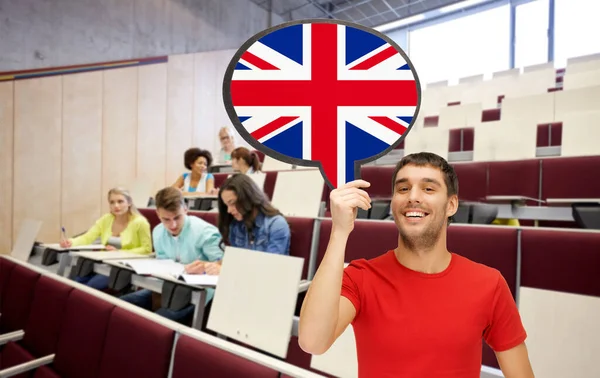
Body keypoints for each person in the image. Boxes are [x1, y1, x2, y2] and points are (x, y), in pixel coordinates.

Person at [298, 152, 534, 378]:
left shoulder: (489, 284)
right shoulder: (361, 277)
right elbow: (312, 342)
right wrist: (340, 230)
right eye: (403, 188)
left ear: (451, 205)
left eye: (428, 188)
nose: (413, 196)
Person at [119, 187, 224, 324]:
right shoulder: (158, 232)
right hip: (167, 287)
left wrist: (205, 266)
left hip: (196, 293)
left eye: (177, 217)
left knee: (155, 322)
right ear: (157, 213)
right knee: (120, 306)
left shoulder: (205, 232)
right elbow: (163, 264)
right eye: (166, 219)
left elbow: (222, 264)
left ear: (185, 209)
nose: (172, 225)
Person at [186, 173, 290, 275]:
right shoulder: (236, 225)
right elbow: (235, 262)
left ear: (248, 197)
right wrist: (208, 266)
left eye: (232, 203)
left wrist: (225, 270)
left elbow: (270, 268)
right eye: (226, 205)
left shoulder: (276, 224)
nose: (229, 210)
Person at [61, 187, 152, 290]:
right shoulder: (106, 219)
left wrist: (119, 252)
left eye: (120, 201)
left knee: (89, 288)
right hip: (103, 263)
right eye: (112, 202)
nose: (116, 206)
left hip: (122, 268)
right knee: (75, 282)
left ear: (129, 202)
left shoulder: (140, 222)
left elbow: (146, 249)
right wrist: (70, 242)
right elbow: (88, 237)